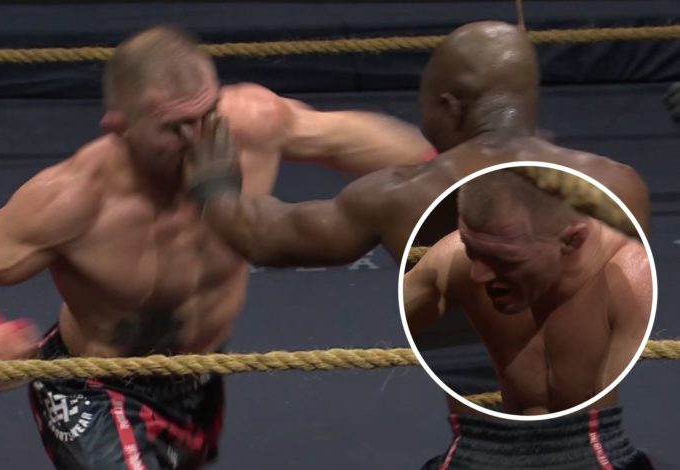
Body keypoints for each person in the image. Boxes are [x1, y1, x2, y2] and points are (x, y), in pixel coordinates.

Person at [0, 26, 436, 470]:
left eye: (206, 114)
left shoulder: (249, 125)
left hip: (199, 377)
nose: (197, 137)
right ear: (119, 126)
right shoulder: (71, 199)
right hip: (98, 388)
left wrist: (449, 172)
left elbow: (355, 140)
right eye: (174, 128)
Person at [183, 21, 654, 469]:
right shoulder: (621, 184)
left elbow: (264, 237)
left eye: (425, 107)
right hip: (600, 448)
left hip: (484, 451)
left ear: (450, 106)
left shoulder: (404, 195)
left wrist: (215, 186)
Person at [404, 168, 651, 415]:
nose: (477, 275)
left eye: (503, 259)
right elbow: (388, 325)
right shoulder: (461, 257)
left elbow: (628, 421)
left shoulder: (630, 284)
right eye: (472, 251)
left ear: (571, 241)